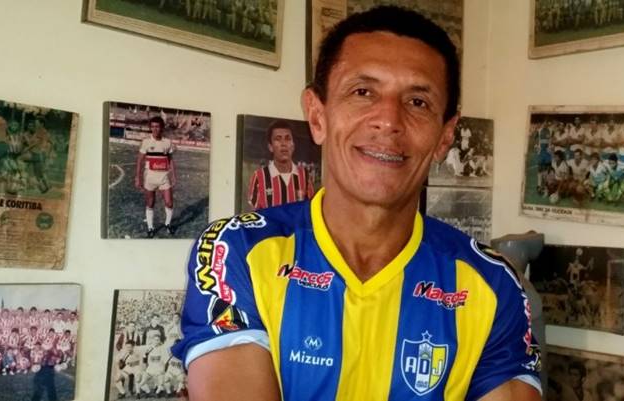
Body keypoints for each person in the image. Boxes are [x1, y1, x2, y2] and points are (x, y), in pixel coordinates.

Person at [173, 6, 541, 401]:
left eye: (418, 102)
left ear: (444, 137)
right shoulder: (238, 251)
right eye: (363, 92)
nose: (389, 120)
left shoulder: (492, 284)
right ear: (318, 117)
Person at [247, 120, 315, 210]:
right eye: (278, 139)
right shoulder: (259, 177)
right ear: (270, 147)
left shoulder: (304, 175)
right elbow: (254, 215)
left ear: (293, 145)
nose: (283, 144)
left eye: (288, 138)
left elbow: (310, 210)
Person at [135, 116, 177, 238]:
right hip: (150, 178)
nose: (155, 129)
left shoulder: (167, 142)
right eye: (152, 126)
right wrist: (137, 177)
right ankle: (150, 227)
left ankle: (168, 224)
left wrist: (174, 175)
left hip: (164, 177)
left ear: (162, 127)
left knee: (169, 202)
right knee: (150, 203)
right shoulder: (146, 142)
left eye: (157, 126)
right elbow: (140, 161)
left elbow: (170, 160)